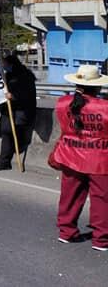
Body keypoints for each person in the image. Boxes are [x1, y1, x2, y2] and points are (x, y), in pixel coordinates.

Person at [49, 65, 108, 251]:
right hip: (100, 160)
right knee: (101, 199)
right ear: (98, 87)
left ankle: (66, 232)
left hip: (70, 156)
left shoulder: (62, 103)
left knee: (69, 196)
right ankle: (101, 239)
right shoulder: (105, 107)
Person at [0, 54, 37, 170]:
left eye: (5, 64)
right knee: (6, 132)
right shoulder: (8, 75)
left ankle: (3, 161)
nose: (4, 66)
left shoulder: (24, 76)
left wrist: (13, 96)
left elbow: (26, 94)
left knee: (8, 133)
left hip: (21, 111)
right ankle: (3, 161)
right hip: (10, 111)